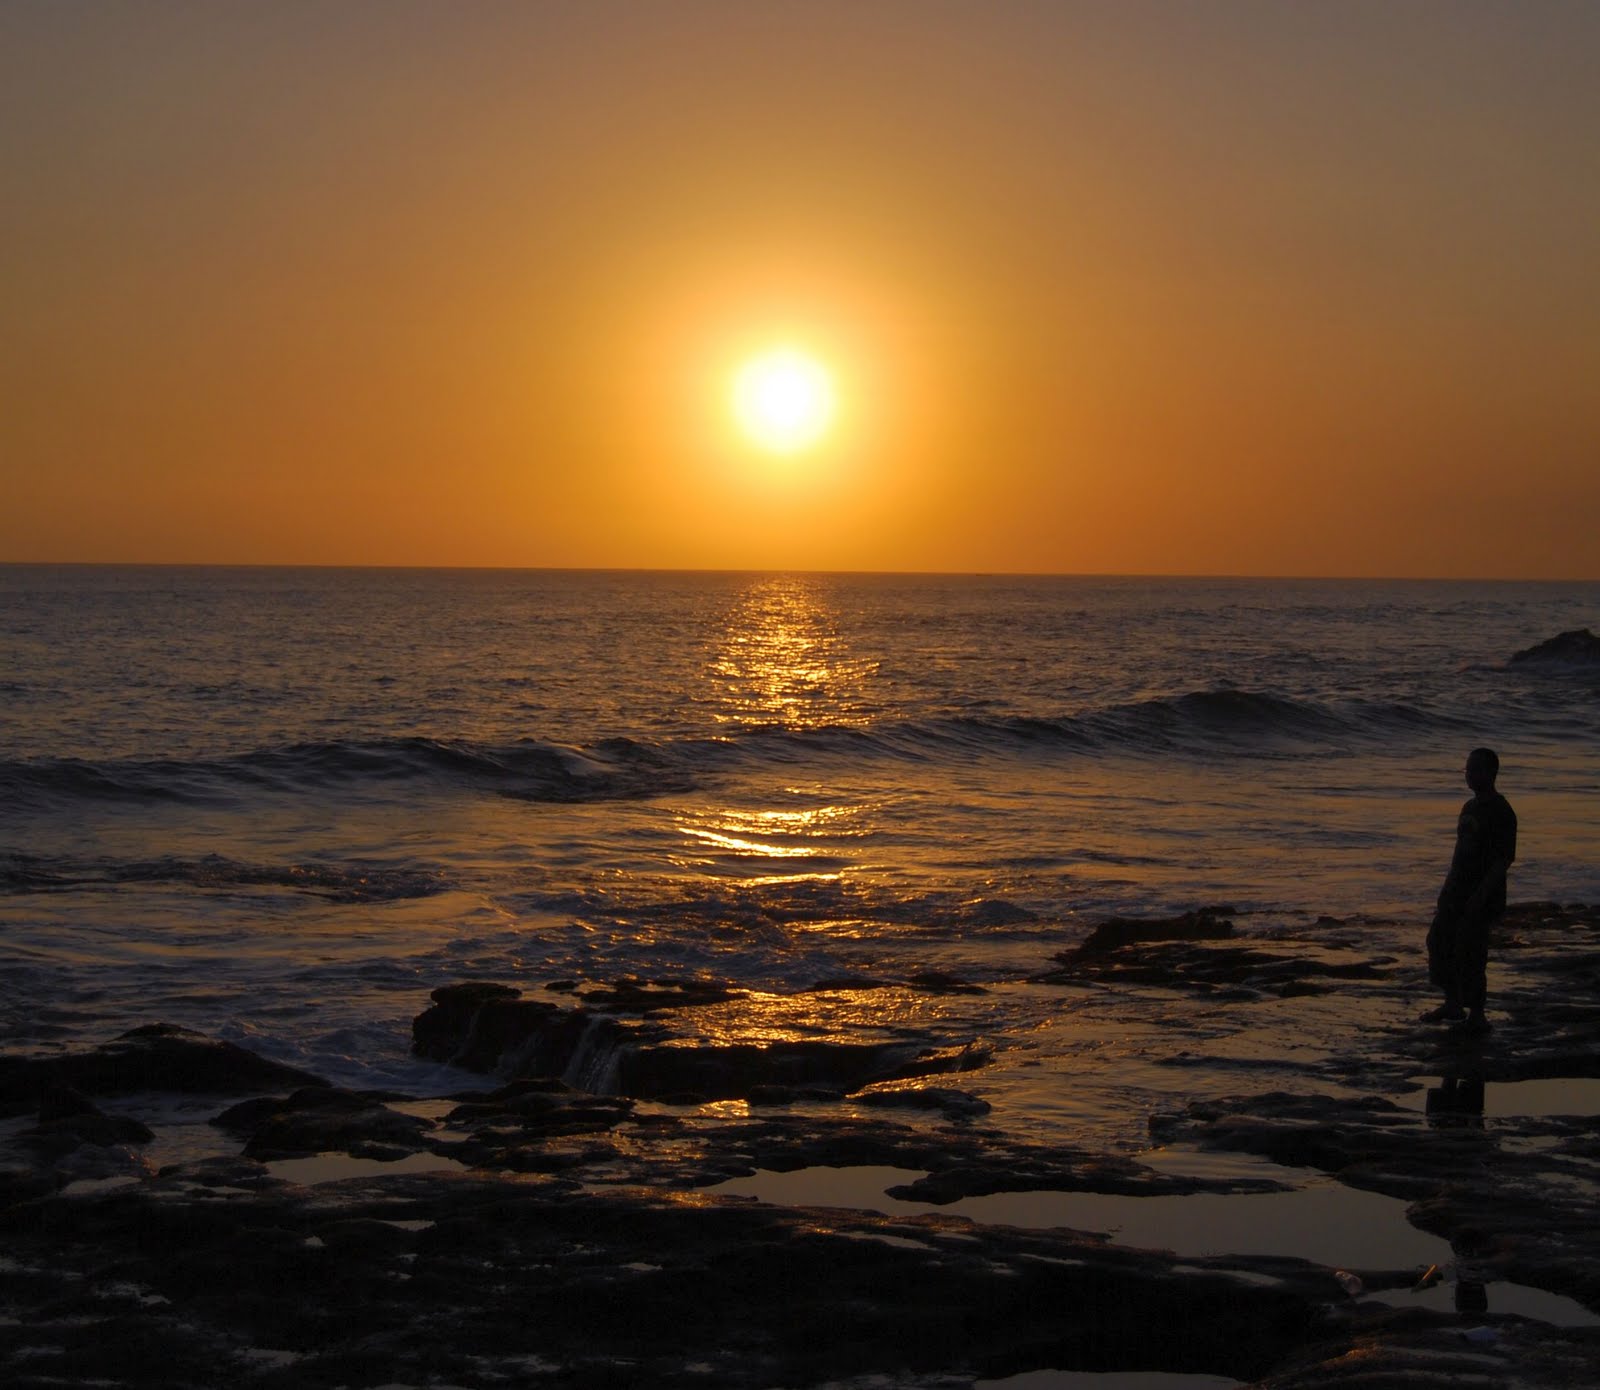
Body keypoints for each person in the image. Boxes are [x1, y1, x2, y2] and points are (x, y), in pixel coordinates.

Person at [1423, 747, 1516, 1035]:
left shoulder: (1501, 811)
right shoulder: (1469, 807)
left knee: (1472, 951)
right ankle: (1452, 1002)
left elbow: (1504, 859)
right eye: (1467, 769)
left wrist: (1481, 895)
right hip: (1457, 889)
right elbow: (1459, 852)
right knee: (1439, 941)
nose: (1470, 775)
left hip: (1482, 893)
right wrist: (1447, 887)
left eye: (1475, 769)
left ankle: (1477, 1012)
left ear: (1491, 773)